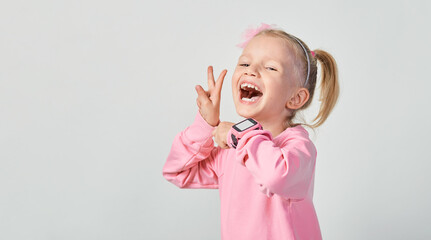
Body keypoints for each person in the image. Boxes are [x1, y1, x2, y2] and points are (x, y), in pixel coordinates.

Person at [162, 23, 340, 240]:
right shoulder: (232, 149)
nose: (251, 70)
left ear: (296, 98)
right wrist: (205, 125)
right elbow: (176, 172)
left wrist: (235, 134)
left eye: (271, 68)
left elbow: (275, 175)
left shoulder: (298, 148)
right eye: (245, 63)